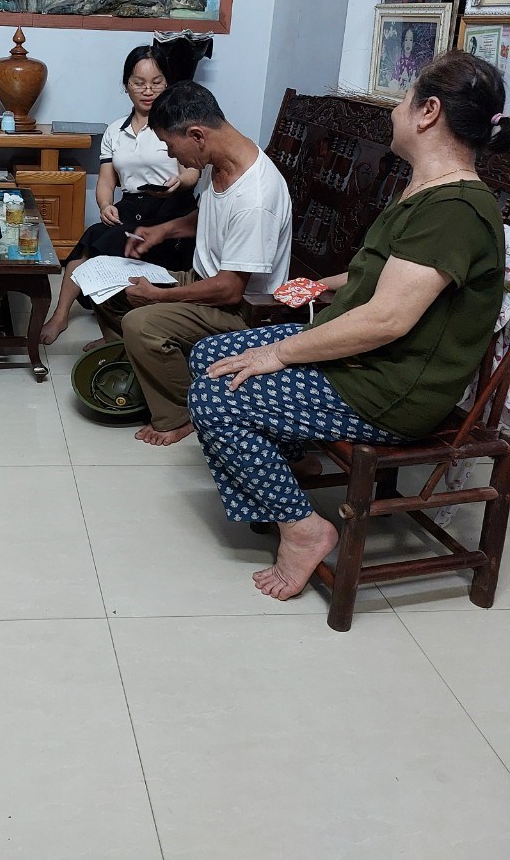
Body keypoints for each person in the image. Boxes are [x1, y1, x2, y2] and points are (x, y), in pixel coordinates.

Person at [188, 51, 508, 602]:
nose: (395, 111)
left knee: (216, 398)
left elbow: (387, 318)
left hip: (388, 388)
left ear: (429, 112)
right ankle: (285, 466)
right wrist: (324, 285)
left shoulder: (453, 208)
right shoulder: (429, 191)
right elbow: (387, 275)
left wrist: (280, 353)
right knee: (208, 355)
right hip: (364, 360)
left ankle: (303, 529)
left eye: (403, 100)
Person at [93, 81, 292, 446]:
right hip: (203, 279)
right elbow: (210, 216)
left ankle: (186, 411)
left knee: (141, 324)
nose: (172, 155)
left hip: (242, 310)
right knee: (109, 288)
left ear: (197, 135)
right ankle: (155, 375)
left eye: (171, 145)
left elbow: (230, 291)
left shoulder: (256, 197)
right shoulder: (221, 161)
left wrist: (158, 297)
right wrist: (162, 231)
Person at [40, 44, 199, 346]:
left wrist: (180, 182)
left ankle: (114, 333)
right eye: (139, 83)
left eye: (157, 82)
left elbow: (193, 172)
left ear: (168, 83)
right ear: (126, 85)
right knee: (91, 238)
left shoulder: (177, 125)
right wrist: (104, 205)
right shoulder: (115, 131)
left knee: (111, 244)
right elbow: (106, 180)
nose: (148, 91)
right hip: (131, 206)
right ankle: (61, 315)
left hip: (172, 209)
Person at [390, 25, 418, 90]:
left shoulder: (414, 63)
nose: (408, 44)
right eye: (406, 40)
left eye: (411, 40)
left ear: (413, 43)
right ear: (403, 42)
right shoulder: (398, 62)